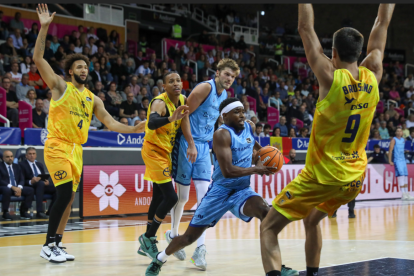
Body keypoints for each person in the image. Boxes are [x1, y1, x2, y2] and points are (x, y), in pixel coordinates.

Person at [260, 4, 394, 276]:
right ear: (361, 53)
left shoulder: (330, 77)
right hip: (354, 178)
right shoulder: (374, 73)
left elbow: (305, 28)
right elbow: (381, 24)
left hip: (321, 177)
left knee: (268, 227)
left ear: (333, 54)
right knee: (311, 220)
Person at [33, 4, 146, 264]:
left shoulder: (93, 98)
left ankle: (57, 244)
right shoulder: (60, 86)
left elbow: (110, 122)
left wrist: (134, 128)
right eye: (80, 67)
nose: (84, 70)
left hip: (77, 150)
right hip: (57, 145)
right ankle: (48, 244)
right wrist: (44, 28)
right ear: (71, 71)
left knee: (70, 197)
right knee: (62, 194)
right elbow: (39, 60)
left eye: (87, 67)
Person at [145, 98, 297, 276]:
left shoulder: (249, 127)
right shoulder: (221, 135)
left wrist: (263, 156)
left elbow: (253, 145)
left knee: (266, 213)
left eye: (243, 111)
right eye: (237, 112)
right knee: (189, 237)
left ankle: (276, 267)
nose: (242, 115)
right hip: (219, 193)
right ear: (224, 116)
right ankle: (160, 259)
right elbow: (228, 171)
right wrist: (256, 169)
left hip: (242, 191)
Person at [167, 59, 237, 268]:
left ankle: (200, 249)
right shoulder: (205, 87)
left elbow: (216, 122)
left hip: (205, 147)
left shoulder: (224, 96)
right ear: (217, 73)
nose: (229, 79)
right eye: (226, 74)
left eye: (232, 77)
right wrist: (190, 144)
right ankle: (173, 234)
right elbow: (184, 113)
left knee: (205, 198)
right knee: (182, 197)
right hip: (187, 143)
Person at [137, 72, 190, 260]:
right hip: (152, 150)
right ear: (164, 86)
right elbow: (151, 123)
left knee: (158, 196)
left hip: (165, 152)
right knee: (171, 197)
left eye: (178, 80)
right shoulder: (160, 102)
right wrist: (170, 118)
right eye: (171, 81)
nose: (176, 83)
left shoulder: (183, 99)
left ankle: (146, 242)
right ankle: (149, 237)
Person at [19, 147, 56, 219]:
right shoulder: (22, 165)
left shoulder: (39, 164)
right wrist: (31, 181)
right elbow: (21, 179)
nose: (32, 155)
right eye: (30, 154)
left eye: (33, 154)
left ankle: (50, 211)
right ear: (26, 156)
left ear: (36, 155)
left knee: (57, 188)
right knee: (40, 184)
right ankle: (39, 211)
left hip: (41, 185)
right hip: (31, 185)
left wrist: (46, 181)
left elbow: (42, 176)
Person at [0, 150, 34, 221]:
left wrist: (19, 188)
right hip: (4, 187)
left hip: (16, 187)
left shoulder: (17, 166)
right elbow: (1, 181)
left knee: (30, 190)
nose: (10, 158)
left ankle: (23, 211)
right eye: (8, 157)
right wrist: (12, 187)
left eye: (11, 156)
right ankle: (5, 212)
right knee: (6, 190)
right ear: (3, 158)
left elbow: (22, 179)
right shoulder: (0, 166)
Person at [388, 127, 414, 201]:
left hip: (403, 160)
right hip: (397, 160)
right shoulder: (393, 140)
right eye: (397, 131)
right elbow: (390, 150)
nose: (399, 132)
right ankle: (403, 194)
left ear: (402, 133)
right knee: (401, 176)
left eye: (400, 131)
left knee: (405, 176)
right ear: (395, 133)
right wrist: (390, 161)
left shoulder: (403, 140)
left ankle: (407, 193)